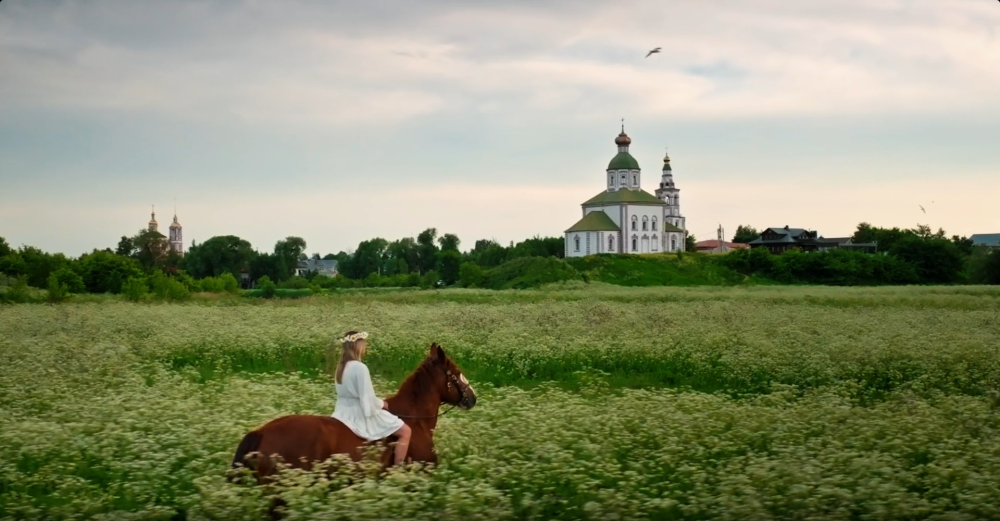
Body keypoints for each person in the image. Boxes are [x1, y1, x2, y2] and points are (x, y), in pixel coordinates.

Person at [329, 330, 412, 465]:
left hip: (341, 413)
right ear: (357, 346)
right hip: (358, 414)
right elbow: (366, 399)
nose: (365, 347)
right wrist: (382, 404)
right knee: (405, 431)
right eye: (364, 344)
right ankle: (399, 468)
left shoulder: (340, 368)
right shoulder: (360, 367)